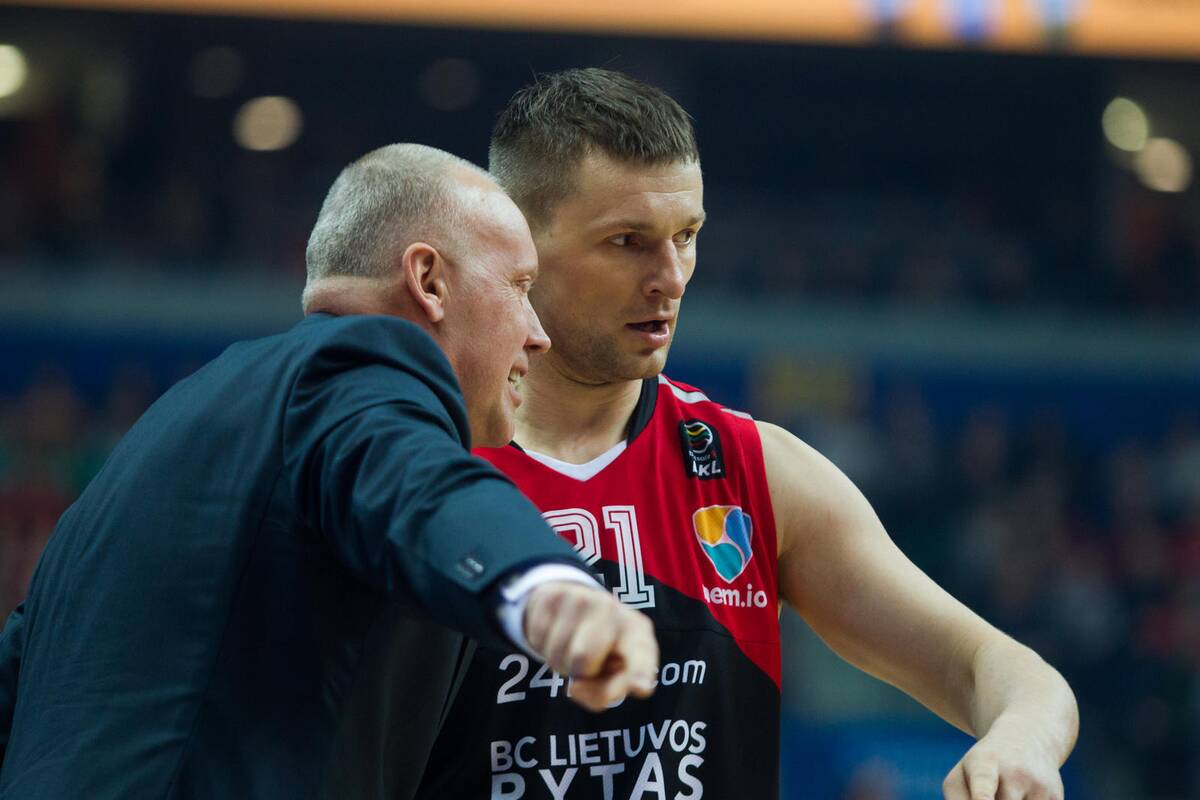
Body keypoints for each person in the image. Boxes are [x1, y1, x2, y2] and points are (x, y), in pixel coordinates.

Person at [417, 71, 1078, 800]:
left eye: (687, 236)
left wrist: (1021, 739)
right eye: (627, 241)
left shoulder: (753, 470)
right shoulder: (414, 471)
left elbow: (1000, 671)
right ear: (517, 239)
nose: (670, 277)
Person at [0, 143, 659, 800]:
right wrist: (543, 585)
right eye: (520, 287)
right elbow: (418, 485)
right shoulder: (351, 372)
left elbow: (20, 679)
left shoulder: (162, 434)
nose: (538, 334)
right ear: (429, 281)